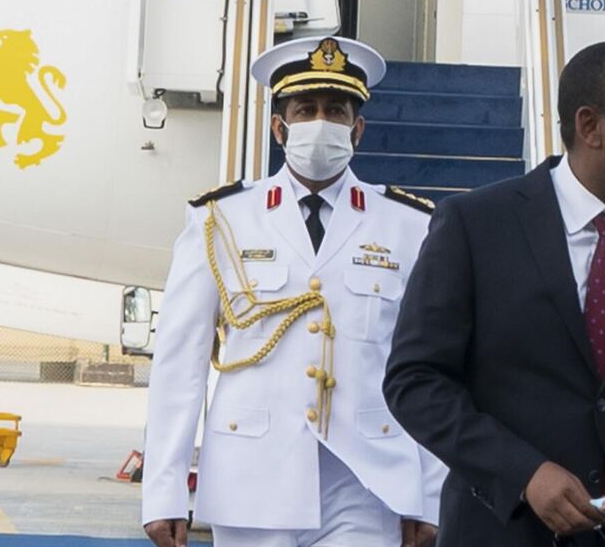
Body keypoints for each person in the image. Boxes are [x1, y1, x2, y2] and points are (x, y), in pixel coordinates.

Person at [384, 40, 605, 546]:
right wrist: (524, 473)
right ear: (590, 126)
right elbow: (415, 381)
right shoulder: (476, 226)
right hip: (503, 532)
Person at [142, 36, 445, 547]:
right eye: (306, 110)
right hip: (252, 478)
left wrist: (430, 493)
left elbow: (432, 366)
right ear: (280, 128)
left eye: (336, 110)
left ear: (358, 129)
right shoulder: (221, 221)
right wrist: (164, 490)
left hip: (367, 480)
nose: (321, 122)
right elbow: (179, 364)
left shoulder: (407, 226)